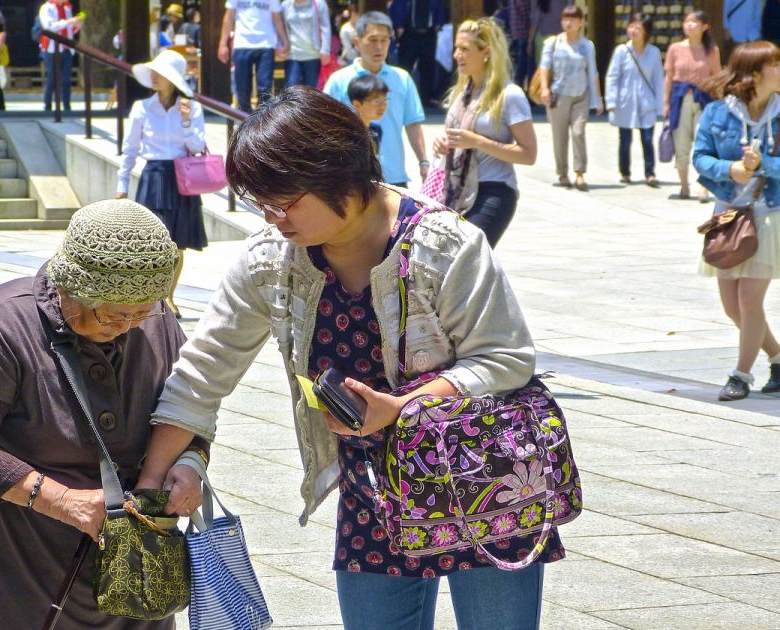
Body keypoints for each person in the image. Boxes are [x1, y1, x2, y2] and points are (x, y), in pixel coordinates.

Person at [133, 85, 561, 629]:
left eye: (285, 202)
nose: (273, 218)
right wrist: (149, 485)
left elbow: (504, 360)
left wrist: (400, 407)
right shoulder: (272, 260)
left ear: (339, 176)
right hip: (373, 492)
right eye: (260, 203)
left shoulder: (445, 245)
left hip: (485, 483)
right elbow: (203, 375)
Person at [0, 198, 211, 629]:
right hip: (29, 543)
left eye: (145, 310)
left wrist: (191, 464)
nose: (133, 324)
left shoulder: (156, 320)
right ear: (70, 289)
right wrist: (62, 502)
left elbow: (189, 409)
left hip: (137, 550)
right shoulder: (7, 319)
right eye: (118, 313)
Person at [694, 41, 780, 401]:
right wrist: (729, 169)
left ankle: (740, 375)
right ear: (755, 74)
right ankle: (777, 358)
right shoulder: (718, 113)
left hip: (769, 215)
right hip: (728, 215)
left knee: (749, 300)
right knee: (732, 306)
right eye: (775, 63)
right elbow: (700, 157)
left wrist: (764, 167)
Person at [116, 50, 207, 319]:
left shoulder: (191, 107)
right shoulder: (142, 108)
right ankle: (152, 294)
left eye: (161, 73)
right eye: (154, 72)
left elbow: (198, 146)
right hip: (153, 175)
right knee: (153, 241)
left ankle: (168, 295)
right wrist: (122, 183)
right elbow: (130, 148)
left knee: (177, 243)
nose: (155, 77)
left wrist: (186, 121)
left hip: (181, 175)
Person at [432, 18, 537, 248]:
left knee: (466, 257)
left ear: (486, 53)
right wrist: (442, 142)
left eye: (465, 49)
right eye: (456, 48)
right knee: (452, 265)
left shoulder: (510, 95)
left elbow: (528, 154)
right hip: (456, 190)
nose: (457, 55)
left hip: (494, 190)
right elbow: (454, 136)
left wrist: (477, 141)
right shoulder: (462, 93)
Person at [325, 11, 428, 187]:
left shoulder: (402, 78)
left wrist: (423, 162)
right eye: (372, 40)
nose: (379, 47)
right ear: (357, 41)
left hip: (394, 176)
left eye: (384, 40)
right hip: (352, 177)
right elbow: (325, 125)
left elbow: (412, 123)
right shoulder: (339, 80)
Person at [538, 4, 603, 191]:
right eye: (565, 19)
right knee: (559, 137)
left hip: (581, 95)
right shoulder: (553, 43)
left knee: (578, 132)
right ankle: (563, 173)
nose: (568, 22)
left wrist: (598, 98)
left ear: (581, 22)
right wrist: (544, 88)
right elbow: (544, 66)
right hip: (558, 95)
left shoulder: (587, 45)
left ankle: (580, 172)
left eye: (573, 19)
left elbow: (593, 72)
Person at [664, 11, 721, 201]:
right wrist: (665, 103)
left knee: (702, 141)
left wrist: (721, 104)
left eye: (694, 22)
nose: (689, 25)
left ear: (705, 26)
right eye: (686, 21)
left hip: (704, 99)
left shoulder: (712, 50)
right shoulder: (675, 48)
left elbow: (717, 77)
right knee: (681, 142)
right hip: (680, 99)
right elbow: (669, 77)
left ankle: (703, 186)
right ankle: (683, 185)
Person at [605, 12, 664, 187]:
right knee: (625, 140)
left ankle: (650, 173)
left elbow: (658, 79)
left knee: (647, 139)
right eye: (631, 26)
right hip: (626, 102)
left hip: (647, 103)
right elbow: (612, 77)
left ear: (646, 31)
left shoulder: (653, 53)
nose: (634, 30)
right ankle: (625, 172)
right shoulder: (621, 51)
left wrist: (661, 106)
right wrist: (611, 101)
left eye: (638, 27)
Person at [219, 0, 290, 114]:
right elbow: (229, 17)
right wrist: (223, 44)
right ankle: (244, 117)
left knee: (265, 86)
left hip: (266, 44)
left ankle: (262, 121)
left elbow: (277, 18)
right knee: (242, 87)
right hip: (242, 43)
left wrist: (284, 40)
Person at [388, 0, 446, 106]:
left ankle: (425, 100)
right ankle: (401, 98)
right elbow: (396, 7)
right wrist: (398, 25)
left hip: (429, 34)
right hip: (409, 34)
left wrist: (438, 23)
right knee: (405, 67)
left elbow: (439, 7)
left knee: (428, 69)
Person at [38, 0, 81, 112]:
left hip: (67, 48)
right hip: (52, 49)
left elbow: (68, 29)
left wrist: (75, 26)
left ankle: (67, 107)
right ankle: (47, 107)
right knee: (52, 78)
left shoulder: (67, 7)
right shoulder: (46, 8)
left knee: (66, 80)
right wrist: (68, 22)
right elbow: (49, 26)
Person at [282, 0, 332, 88]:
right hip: (292, 54)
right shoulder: (285, 5)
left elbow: (325, 27)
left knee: (311, 92)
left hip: (313, 55)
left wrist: (325, 49)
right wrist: (280, 45)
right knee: (291, 90)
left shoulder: (319, 3)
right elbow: (281, 27)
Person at [348, 73, 389, 154]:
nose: (383, 106)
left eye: (385, 100)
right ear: (357, 104)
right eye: (376, 101)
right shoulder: (346, 132)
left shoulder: (376, 130)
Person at [529, 0, 567, 66]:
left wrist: (530, 42)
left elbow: (535, 22)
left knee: (543, 68)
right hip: (559, 37)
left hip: (543, 37)